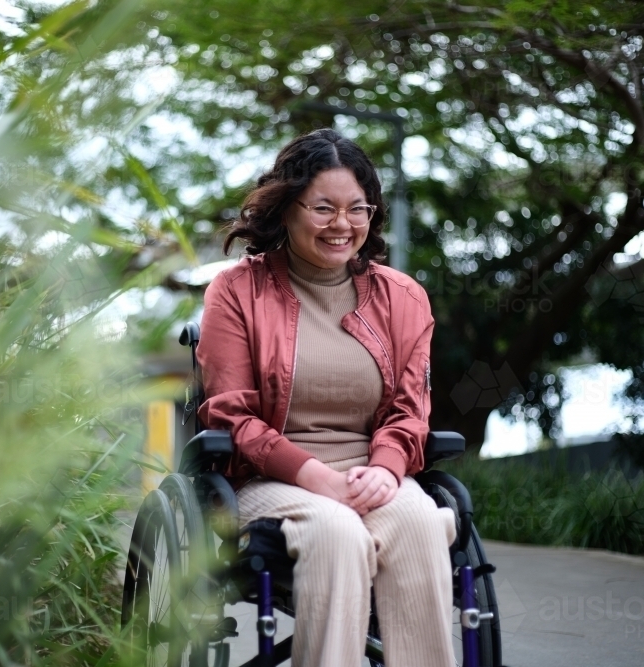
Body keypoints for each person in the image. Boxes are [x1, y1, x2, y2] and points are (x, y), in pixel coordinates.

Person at [196, 128, 457, 667]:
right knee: (336, 532)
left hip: (374, 475)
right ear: (287, 208)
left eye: (357, 209)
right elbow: (233, 416)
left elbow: (410, 410)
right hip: (273, 478)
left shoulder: (403, 298)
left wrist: (386, 469)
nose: (343, 224)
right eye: (323, 208)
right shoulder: (236, 291)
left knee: (421, 522)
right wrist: (318, 477)